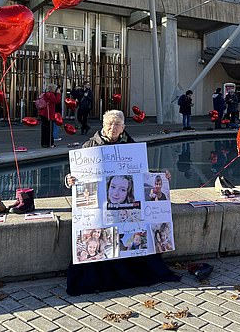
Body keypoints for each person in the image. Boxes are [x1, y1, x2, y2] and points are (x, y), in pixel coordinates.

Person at [65, 110, 179, 295]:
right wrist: (69, 179)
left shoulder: (130, 146)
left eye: (117, 124)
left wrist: (161, 176)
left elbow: (141, 172)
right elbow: (76, 175)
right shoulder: (89, 146)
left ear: (123, 128)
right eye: (109, 124)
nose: (113, 128)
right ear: (103, 125)